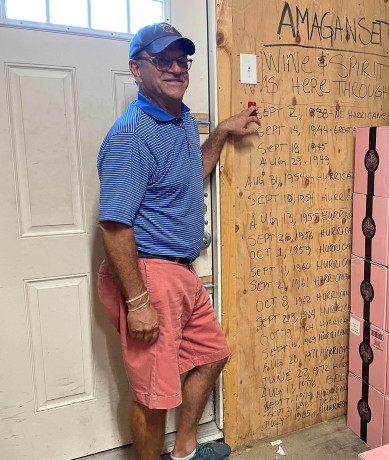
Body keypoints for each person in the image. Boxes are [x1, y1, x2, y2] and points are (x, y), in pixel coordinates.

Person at [97, 23, 259, 460]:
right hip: (150, 275)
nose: (175, 68)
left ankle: (184, 451)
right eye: (162, 60)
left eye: (181, 60)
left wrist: (220, 133)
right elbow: (114, 227)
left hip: (180, 272)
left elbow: (191, 173)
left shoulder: (182, 119)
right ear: (137, 69)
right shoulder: (132, 135)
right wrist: (138, 302)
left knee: (212, 354)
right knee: (154, 395)